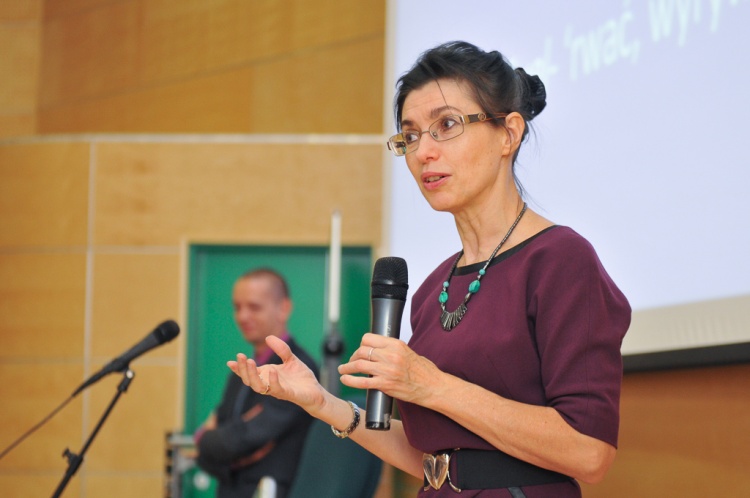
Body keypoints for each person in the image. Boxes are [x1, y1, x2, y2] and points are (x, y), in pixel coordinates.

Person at [228, 41, 631, 498]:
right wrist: (322, 403)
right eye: (411, 135)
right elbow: (435, 461)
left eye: (447, 125)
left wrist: (430, 385)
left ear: (508, 134)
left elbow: (589, 452)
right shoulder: (434, 287)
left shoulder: (561, 260)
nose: (423, 152)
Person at [195, 268, 319, 498]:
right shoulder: (241, 370)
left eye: (254, 307)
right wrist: (217, 445)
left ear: (283, 309)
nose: (242, 316)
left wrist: (204, 439)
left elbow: (240, 440)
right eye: (237, 307)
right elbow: (227, 442)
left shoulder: (295, 371)